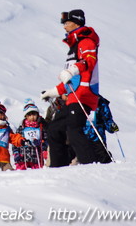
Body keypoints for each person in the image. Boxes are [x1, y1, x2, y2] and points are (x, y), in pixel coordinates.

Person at [40, 9, 100, 166]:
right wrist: (55, 91)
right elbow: (70, 80)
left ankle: (90, 165)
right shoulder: (74, 47)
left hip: (83, 95)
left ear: (76, 22)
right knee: (54, 129)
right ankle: (58, 166)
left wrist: (72, 70)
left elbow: (89, 61)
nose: (64, 26)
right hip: (73, 95)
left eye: (66, 23)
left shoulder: (86, 41)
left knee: (74, 130)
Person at [13, 99, 48, 169]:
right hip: (23, 157)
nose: (32, 117)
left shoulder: (41, 128)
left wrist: (44, 149)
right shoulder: (21, 128)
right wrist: (16, 153)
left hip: (36, 157)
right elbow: (15, 142)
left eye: (34, 114)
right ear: (26, 116)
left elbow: (46, 139)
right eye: (29, 115)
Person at [83, 95, 118, 164]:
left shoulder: (100, 101)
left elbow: (107, 118)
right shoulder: (76, 100)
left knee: (102, 158)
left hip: (98, 138)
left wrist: (111, 126)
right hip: (80, 137)